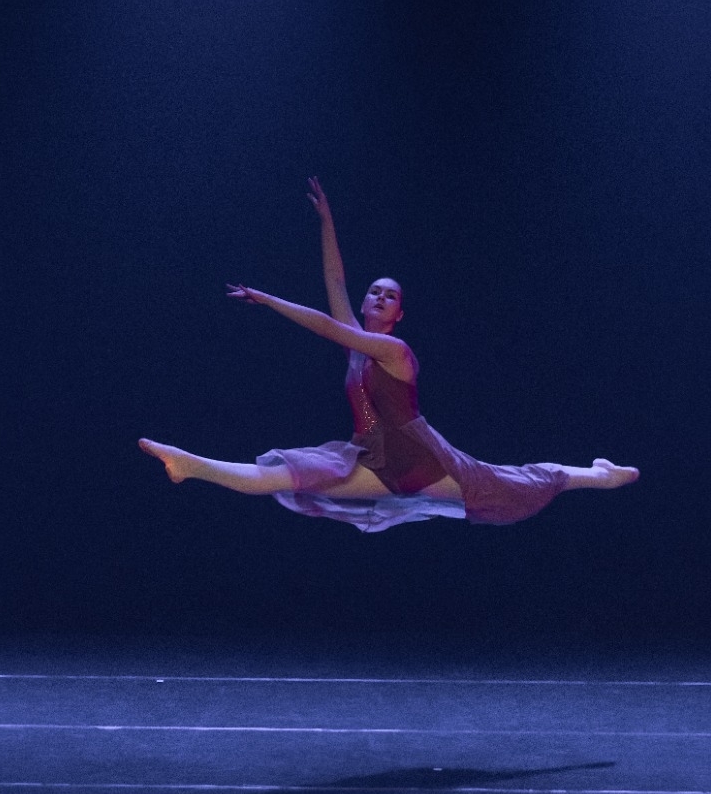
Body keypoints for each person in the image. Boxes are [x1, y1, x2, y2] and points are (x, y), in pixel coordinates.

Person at [139, 178, 638, 532]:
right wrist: (327, 221)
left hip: (419, 460)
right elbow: (335, 282)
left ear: (399, 313)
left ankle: (600, 475)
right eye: (375, 291)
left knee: (515, 483)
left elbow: (325, 322)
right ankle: (191, 465)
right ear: (365, 303)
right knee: (284, 476)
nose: (380, 297)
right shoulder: (356, 344)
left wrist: (269, 300)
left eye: (390, 295)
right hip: (370, 460)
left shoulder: (395, 352)